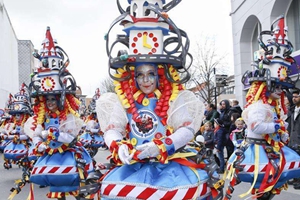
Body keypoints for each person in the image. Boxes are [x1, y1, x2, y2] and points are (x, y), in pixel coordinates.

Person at [80, 1, 224, 199]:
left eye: (151, 74)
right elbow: (113, 128)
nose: (146, 80)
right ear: (133, 76)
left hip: (169, 168)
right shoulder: (123, 101)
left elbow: (187, 129)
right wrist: (117, 144)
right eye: (140, 75)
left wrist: (163, 145)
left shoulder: (174, 98)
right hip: (132, 166)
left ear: (160, 75)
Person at [224, 15, 300, 199]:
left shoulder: (270, 106)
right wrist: (277, 127)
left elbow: (276, 128)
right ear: (266, 87)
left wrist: (281, 131)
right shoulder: (259, 106)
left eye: (282, 88)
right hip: (257, 151)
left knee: (271, 183)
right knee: (263, 181)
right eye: (277, 87)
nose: (280, 91)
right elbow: (257, 126)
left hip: (268, 149)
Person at [23, 27, 94, 200]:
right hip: (51, 155)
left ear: (61, 100)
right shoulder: (43, 117)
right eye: (47, 100)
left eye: (53, 100)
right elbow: (37, 134)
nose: (50, 103)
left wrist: (56, 135)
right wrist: (39, 143)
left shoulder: (68, 116)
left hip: (67, 153)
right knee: (56, 190)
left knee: (77, 181)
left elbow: (70, 137)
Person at [2, 84, 32, 169]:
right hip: (16, 144)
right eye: (15, 115)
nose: (17, 117)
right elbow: (5, 131)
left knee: (29, 156)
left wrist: (19, 136)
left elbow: (28, 135)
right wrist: (5, 135)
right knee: (8, 151)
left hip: (27, 144)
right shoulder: (12, 124)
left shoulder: (29, 123)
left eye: (19, 115)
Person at [286, 89, 300, 188]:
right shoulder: (292, 110)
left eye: (296, 97)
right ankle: (296, 178)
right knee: (295, 159)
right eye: (293, 97)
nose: (294, 99)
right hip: (293, 139)